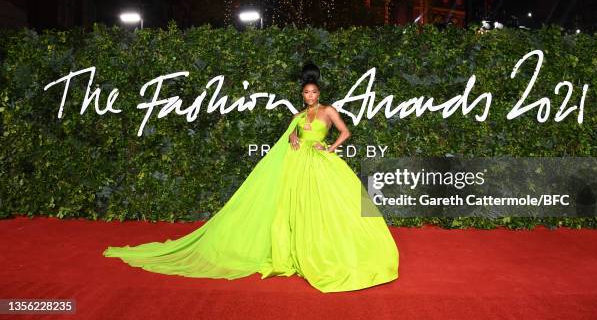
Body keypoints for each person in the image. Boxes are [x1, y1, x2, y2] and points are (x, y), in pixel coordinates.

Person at [103, 61, 399, 293]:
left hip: (320, 165)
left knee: (330, 209)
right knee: (292, 210)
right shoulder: (296, 116)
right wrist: (293, 139)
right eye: (305, 92)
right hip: (296, 167)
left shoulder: (329, 111)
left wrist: (331, 147)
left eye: (313, 92)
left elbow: (346, 132)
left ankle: (328, 251)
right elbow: (291, 137)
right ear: (303, 94)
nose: (309, 96)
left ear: (319, 93)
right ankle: (293, 248)